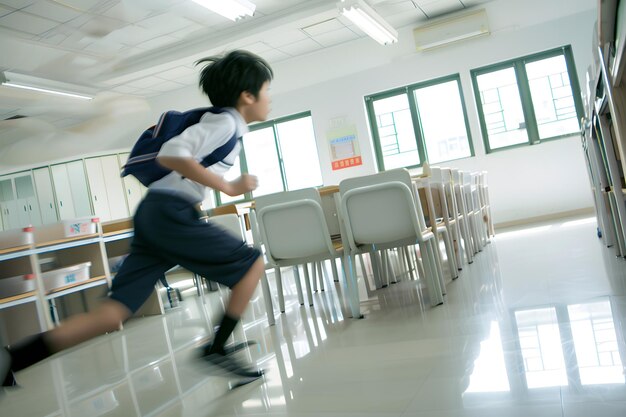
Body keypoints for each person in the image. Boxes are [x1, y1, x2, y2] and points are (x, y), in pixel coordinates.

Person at [1, 50, 273, 388]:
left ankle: (13, 358)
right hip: (169, 214)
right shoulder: (227, 122)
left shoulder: (226, 124)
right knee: (252, 265)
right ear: (248, 95)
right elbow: (171, 153)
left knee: (112, 313)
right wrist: (229, 186)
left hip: (158, 213)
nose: (269, 99)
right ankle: (217, 348)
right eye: (267, 90)